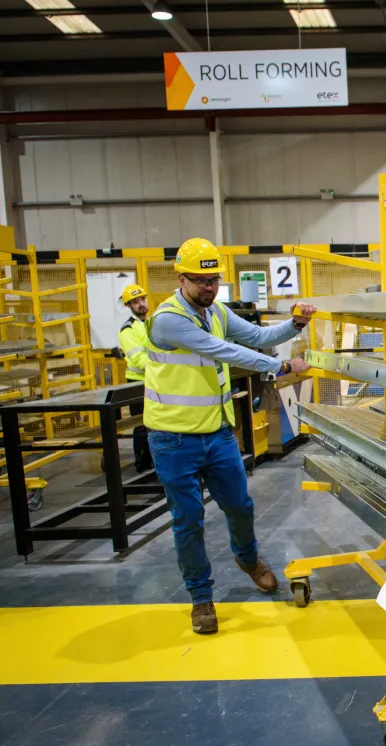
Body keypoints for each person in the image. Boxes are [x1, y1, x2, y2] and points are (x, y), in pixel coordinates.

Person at [144, 238, 316, 634]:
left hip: (217, 434)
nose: (209, 287)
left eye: (214, 279)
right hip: (173, 440)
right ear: (182, 278)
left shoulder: (216, 311)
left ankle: (248, 559)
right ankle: (201, 598)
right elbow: (227, 353)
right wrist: (283, 365)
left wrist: (296, 324)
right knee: (188, 520)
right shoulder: (169, 319)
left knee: (240, 506)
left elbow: (255, 337)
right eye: (201, 281)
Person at [117, 282, 152, 472]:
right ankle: (142, 465)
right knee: (141, 425)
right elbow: (139, 359)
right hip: (138, 383)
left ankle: (154, 460)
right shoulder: (127, 330)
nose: (141, 304)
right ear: (128, 306)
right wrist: (162, 368)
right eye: (135, 302)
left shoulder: (151, 323)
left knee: (157, 422)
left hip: (155, 381)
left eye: (142, 299)